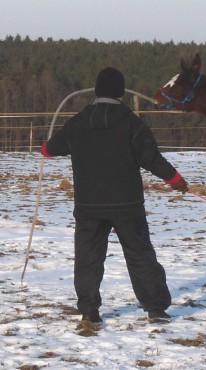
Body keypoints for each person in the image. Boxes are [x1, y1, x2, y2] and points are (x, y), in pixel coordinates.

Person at [41, 67, 188, 324]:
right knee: (140, 256)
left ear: (97, 91)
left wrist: (45, 148)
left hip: (88, 207)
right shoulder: (132, 123)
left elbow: (51, 149)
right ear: (121, 92)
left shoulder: (78, 122)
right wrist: (175, 179)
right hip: (127, 206)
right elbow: (151, 158)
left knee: (88, 259)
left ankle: (89, 311)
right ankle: (155, 309)